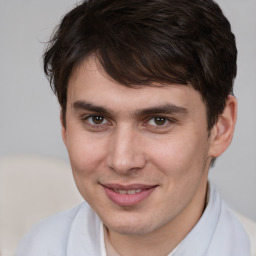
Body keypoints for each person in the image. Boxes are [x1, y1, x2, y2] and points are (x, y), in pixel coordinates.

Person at [15, 0, 251, 255]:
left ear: (220, 127)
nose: (122, 161)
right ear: (64, 126)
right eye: (96, 119)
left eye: (159, 120)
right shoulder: (35, 247)